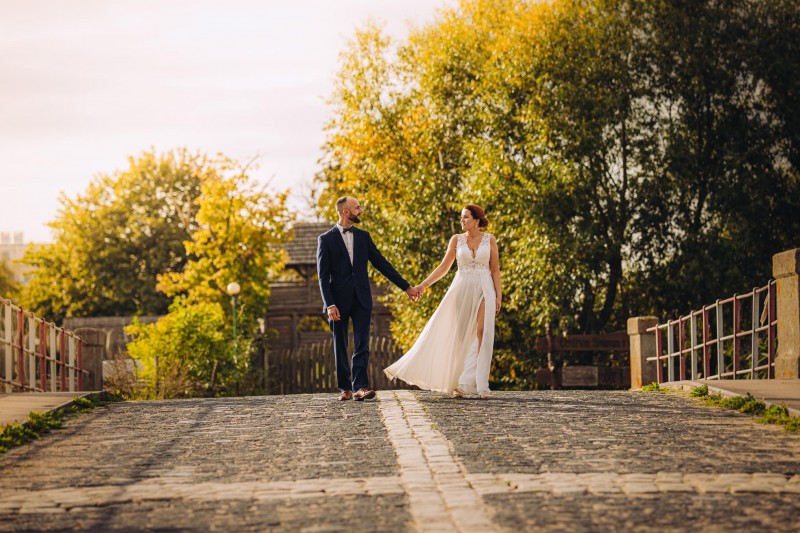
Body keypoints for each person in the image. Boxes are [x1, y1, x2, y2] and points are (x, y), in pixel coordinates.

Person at [384, 204, 502, 399]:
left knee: (483, 332)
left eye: (465, 217)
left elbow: (495, 270)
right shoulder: (456, 239)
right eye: (461, 217)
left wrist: (499, 295)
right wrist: (423, 285)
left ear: (476, 220)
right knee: (462, 336)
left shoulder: (490, 240)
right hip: (462, 288)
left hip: (485, 288)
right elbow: (444, 267)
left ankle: (480, 384)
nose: (462, 220)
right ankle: (459, 382)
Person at [317, 196, 421, 401]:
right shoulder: (325, 239)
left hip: (362, 299)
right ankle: (345, 388)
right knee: (340, 344)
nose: (360, 210)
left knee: (362, 343)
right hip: (337, 302)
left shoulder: (364, 237)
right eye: (357, 207)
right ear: (346, 211)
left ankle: (360, 387)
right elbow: (322, 275)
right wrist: (329, 304)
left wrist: (406, 287)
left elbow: (382, 264)